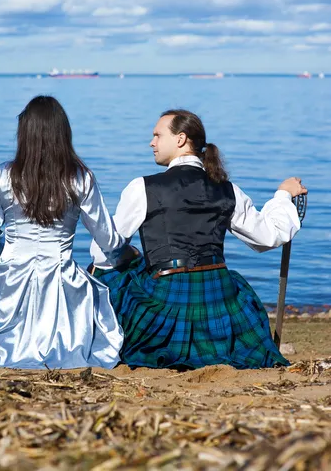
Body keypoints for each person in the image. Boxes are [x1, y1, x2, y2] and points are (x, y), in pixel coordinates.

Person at [91, 109, 307, 370]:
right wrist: (283, 195)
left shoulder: (142, 187)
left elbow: (103, 253)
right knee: (232, 282)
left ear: (181, 139)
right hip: (218, 299)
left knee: (106, 272)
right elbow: (268, 237)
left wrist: (129, 257)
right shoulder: (227, 188)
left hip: (166, 301)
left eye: (158, 135)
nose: (152, 142)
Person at [0, 95, 132, 370]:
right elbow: (107, 239)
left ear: (24, 134)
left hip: (10, 279)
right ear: (62, 133)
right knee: (94, 289)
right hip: (59, 278)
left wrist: (0, 261)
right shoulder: (80, 177)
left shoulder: (1, 175)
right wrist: (126, 255)